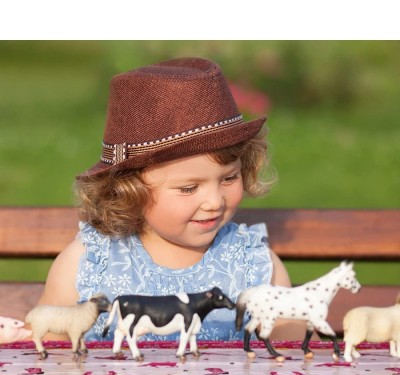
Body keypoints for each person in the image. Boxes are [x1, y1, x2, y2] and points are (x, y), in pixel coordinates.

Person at [38, 56, 302, 342]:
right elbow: (51, 352)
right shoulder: (89, 261)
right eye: (188, 188)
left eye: (229, 178)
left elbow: (289, 358)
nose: (214, 201)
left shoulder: (254, 264)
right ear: (130, 189)